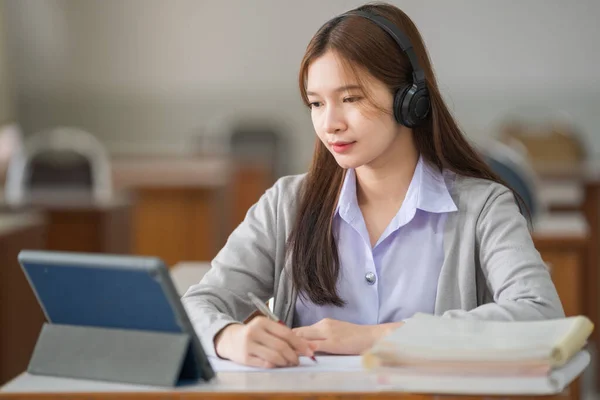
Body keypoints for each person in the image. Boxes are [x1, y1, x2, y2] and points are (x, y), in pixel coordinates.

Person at [182, 1, 564, 369]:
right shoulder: (287, 203)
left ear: (409, 100)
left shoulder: (483, 207)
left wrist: (374, 338)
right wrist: (229, 336)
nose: (330, 123)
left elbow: (540, 313)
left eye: (350, 98)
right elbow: (198, 304)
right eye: (316, 104)